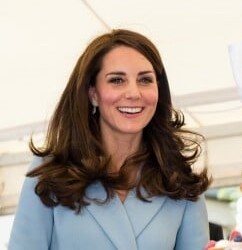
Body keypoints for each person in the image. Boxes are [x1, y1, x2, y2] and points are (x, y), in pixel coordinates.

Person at [8, 29, 211, 250]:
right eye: (117, 80)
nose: (134, 93)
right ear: (92, 93)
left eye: (145, 80)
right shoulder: (48, 176)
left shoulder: (180, 182)